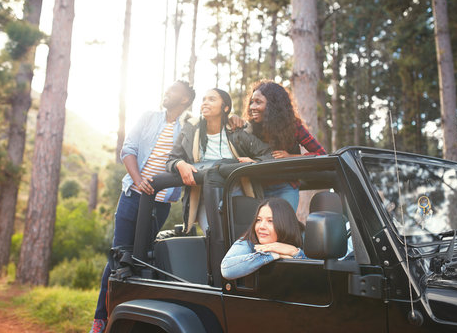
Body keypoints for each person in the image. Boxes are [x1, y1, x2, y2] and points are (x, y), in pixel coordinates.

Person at [134, 88, 272, 285]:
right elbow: (172, 159)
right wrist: (180, 164)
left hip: (237, 195)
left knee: (242, 242)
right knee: (216, 241)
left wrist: (253, 161)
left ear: (225, 108)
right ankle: (218, 286)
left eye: (212, 99)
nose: (205, 102)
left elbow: (266, 154)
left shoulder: (237, 131)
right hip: (205, 198)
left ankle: (247, 287)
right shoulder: (191, 129)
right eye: (204, 99)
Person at [89, 81, 195, 333]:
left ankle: (131, 318)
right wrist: (139, 181)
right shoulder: (148, 118)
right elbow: (129, 150)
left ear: (184, 100)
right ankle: (100, 319)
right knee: (118, 256)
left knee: (142, 260)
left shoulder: (189, 128)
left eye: (173, 91)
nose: (167, 92)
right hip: (131, 197)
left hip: (160, 205)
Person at [239, 80, 327, 210]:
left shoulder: (293, 127)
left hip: (285, 188)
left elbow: (321, 154)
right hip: (258, 189)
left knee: (283, 226)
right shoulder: (250, 129)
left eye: (258, 102)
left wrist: (290, 156)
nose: (252, 107)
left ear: (273, 106)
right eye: (252, 102)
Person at [221, 197, 307, 280]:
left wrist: (294, 252)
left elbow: (316, 271)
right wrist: (272, 254)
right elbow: (227, 269)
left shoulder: (302, 237)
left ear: (284, 224)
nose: (261, 226)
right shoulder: (248, 240)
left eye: (270, 221)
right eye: (258, 220)